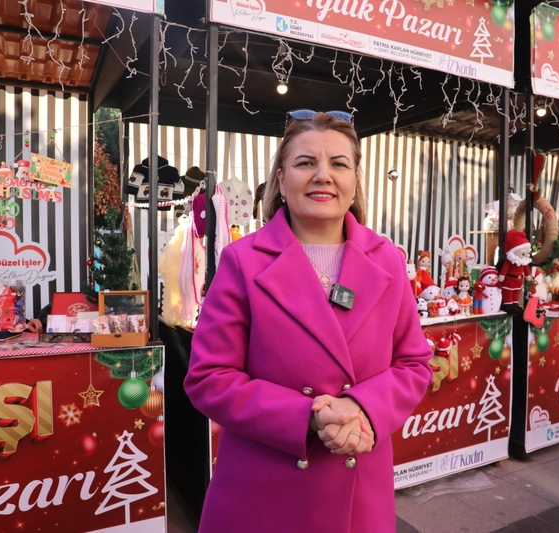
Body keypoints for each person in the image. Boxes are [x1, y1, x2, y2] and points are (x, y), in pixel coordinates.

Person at [184, 110, 434, 532]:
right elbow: (209, 377)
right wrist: (306, 417)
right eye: (305, 163)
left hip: (359, 490)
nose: (323, 175)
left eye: (339, 163)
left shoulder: (388, 260)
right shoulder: (241, 261)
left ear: (355, 179)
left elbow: (414, 364)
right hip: (263, 493)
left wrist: (361, 407)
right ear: (281, 179)